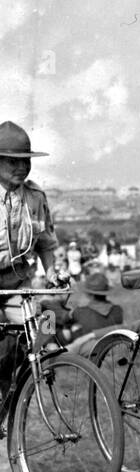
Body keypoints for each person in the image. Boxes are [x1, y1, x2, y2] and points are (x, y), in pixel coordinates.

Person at [0, 121, 59, 397]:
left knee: (45, 323)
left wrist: (52, 272)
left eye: (26, 162)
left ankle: (44, 367)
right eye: (13, 162)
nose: (22, 168)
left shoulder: (35, 197)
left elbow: (46, 244)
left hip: (17, 282)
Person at [63, 271, 124, 354]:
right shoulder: (117, 310)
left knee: (71, 329)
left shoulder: (79, 312)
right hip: (113, 348)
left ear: (88, 294)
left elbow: (64, 320)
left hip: (89, 350)